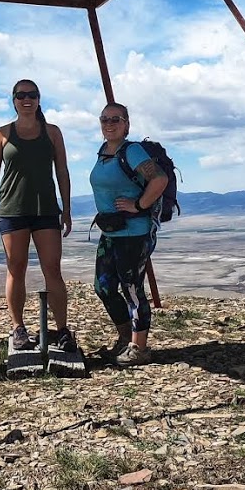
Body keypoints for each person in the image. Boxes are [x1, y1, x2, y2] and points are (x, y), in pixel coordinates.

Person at [0, 79, 76, 352]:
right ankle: (18, 328)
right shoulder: (1, 134)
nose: (26, 99)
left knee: (52, 270)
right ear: (14, 100)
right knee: (15, 269)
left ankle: (62, 329)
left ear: (39, 98)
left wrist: (66, 208)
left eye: (32, 94)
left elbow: (63, 173)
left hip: (46, 210)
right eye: (21, 95)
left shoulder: (53, 132)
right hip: (12, 211)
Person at [89, 101, 168, 365]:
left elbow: (159, 179)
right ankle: (125, 340)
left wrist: (139, 205)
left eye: (116, 119)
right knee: (103, 286)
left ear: (126, 124)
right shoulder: (104, 152)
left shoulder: (132, 151)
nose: (109, 124)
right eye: (105, 119)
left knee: (132, 287)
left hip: (134, 231)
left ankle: (139, 348)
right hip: (111, 230)